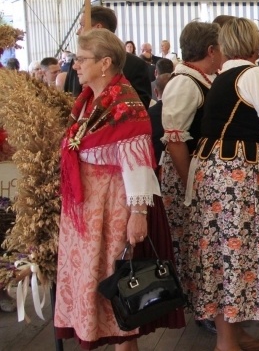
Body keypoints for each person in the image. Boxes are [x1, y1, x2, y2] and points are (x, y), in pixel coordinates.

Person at [54, 29, 184, 350]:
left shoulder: (125, 104)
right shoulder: (88, 101)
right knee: (97, 282)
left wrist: (138, 215)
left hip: (113, 203)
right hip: (87, 206)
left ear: (105, 63)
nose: (75, 66)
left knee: (120, 286)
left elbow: (139, 165)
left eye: (82, 60)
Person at [186, 18, 259, 351]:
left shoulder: (221, 77)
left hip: (213, 173)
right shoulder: (255, 74)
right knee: (237, 254)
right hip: (238, 177)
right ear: (253, 43)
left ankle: (233, 334)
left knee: (221, 255)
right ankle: (227, 343)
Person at [159, 22, 221, 334]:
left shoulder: (198, 80)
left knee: (198, 243)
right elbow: (174, 139)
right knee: (190, 244)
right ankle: (200, 309)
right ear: (211, 50)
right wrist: (189, 184)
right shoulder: (184, 83)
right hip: (184, 174)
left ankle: (205, 306)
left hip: (194, 173)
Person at [65, 6, 152, 106]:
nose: (78, 32)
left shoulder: (135, 65)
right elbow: (67, 98)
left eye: (82, 25)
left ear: (98, 28)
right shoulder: (76, 62)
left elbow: (139, 108)